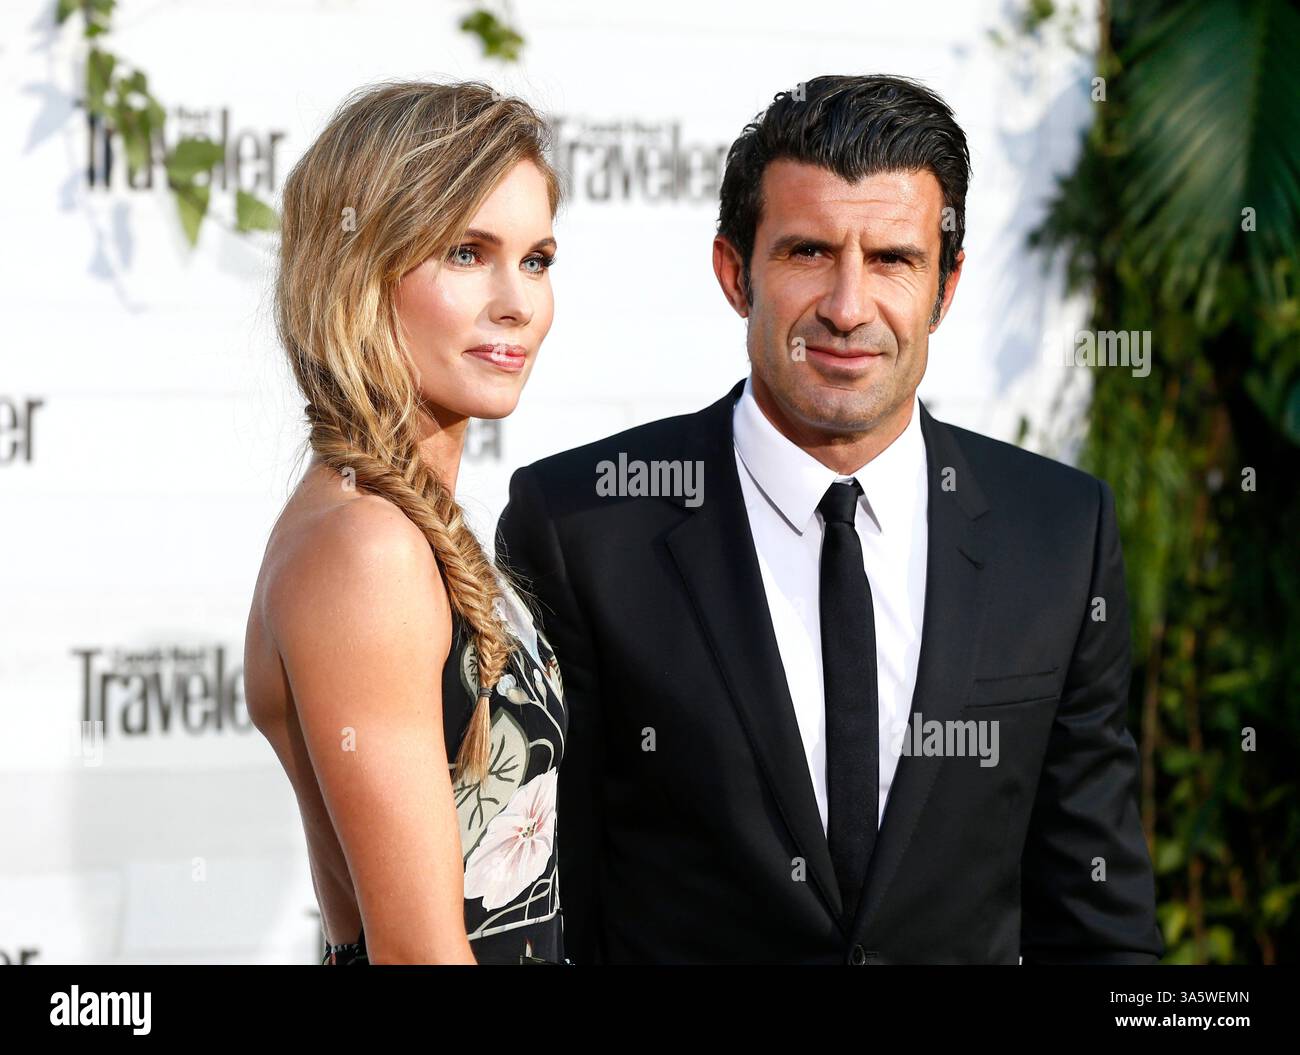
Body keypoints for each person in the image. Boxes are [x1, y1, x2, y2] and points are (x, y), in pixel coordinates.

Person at [495, 74, 1162, 964]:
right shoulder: (582, 526)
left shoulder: (1058, 532)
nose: (849, 309)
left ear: (946, 286)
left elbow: (1097, 918)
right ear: (737, 272)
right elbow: (545, 910)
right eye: (809, 252)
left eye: (892, 259)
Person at [243, 80, 568, 965]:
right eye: (468, 253)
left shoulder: (396, 526)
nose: (518, 303)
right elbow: (420, 955)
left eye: (537, 259)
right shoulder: (366, 550)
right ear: (361, 268)